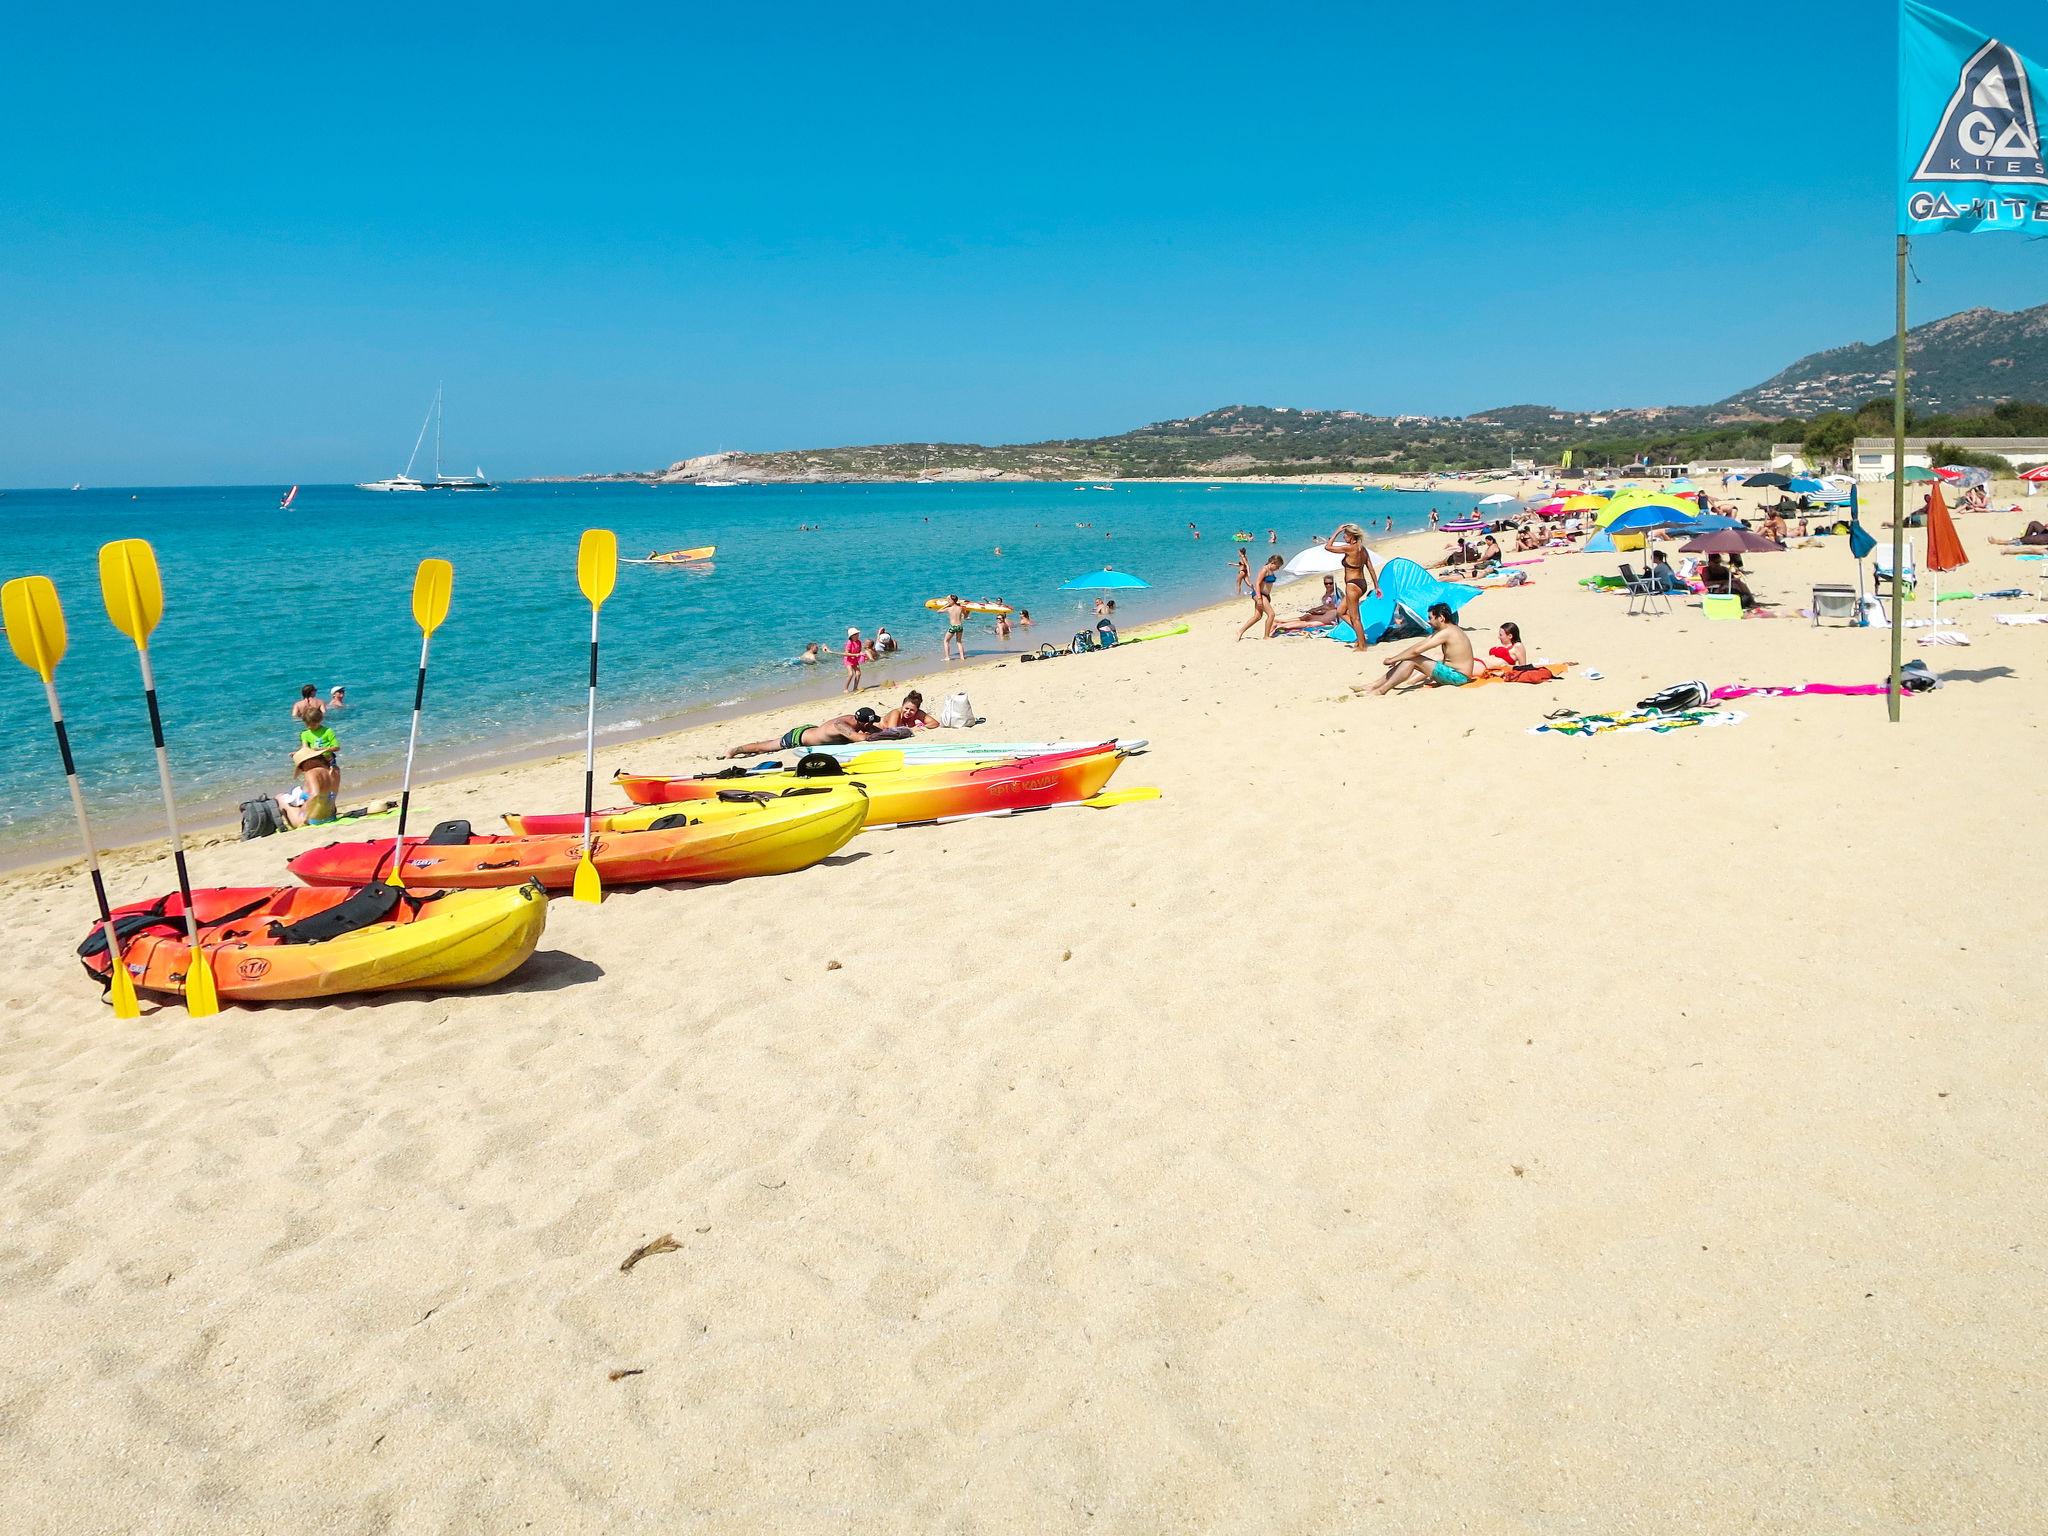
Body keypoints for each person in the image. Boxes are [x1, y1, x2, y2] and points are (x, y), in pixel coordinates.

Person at [1364, 603, 1481, 694]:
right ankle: (1374, 685)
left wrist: (1393, 660)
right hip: (1455, 674)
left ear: (1440, 618)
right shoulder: (1448, 629)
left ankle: (1381, 690)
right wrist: (1395, 658)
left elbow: (1416, 651)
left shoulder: (1447, 632)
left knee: (1412, 659)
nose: (1428, 621)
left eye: (1430, 618)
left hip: (1458, 677)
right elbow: (1417, 646)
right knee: (1410, 658)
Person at [723, 707, 889, 757]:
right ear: (861, 722)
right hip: (799, 738)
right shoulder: (842, 725)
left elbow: (876, 728)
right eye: (869, 724)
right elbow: (860, 738)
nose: (871, 725)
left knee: (766, 745)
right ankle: (735, 750)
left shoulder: (857, 721)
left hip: (812, 730)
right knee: (765, 747)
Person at [1323, 523, 1382, 653]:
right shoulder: (1362, 549)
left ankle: (1362, 646)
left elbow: (1327, 547)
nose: (1344, 537)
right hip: (1362, 584)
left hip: (1352, 586)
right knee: (1340, 612)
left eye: (1345, 535)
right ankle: (1360, 636)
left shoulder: (1349, 548)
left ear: (1351, 536)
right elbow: (1371, 569)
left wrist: (1337, 530)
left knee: (1355, 618)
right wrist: (1377, 587)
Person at [279, 744, 341, 827]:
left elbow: (315, 794)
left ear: (307, 762)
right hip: (331, 816)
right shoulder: (335, 770)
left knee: (280, 798)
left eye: (301, 766)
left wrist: (304, 814)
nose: (303, 770)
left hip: (314, 820)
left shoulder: (311, 773)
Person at [1237, 554, 1284, 640]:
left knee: (1257, 617)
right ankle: (1266, 636)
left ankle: (1240, 631)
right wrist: (1259, 598)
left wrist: (1267, 596)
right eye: (1277, 566)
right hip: (1259, 594)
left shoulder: (1271, 570)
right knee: (1271, 614)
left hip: (1265, 595)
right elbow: (1257, 583)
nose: (1278, 569)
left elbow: (1267, 585)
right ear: (1273, 563)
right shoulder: (1264, 570)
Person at [942, 596, 967, 662]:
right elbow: (965, 616)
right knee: (959, 642)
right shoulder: (961, 608)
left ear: (953, 601)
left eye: (949, 600)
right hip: (960, 626)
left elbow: (938, 611)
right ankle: (962, 657)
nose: (948, 601)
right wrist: (967, 612)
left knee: (946, 641)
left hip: (953, 627)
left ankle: (947, 657)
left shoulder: (949, 608)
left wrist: (946, 605)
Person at [842, 627, 864, 692]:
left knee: (858, 673)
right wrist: (855, 655)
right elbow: (846, 653)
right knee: (851, 674)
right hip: (848, 660)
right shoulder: (849, 642)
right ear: (852, 636)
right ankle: (845, 689)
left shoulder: (859, 642)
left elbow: (859, 650)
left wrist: (861, 654)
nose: (858, 635)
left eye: (858, 634)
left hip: (855, 660)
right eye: (856, 634)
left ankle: (855, 688)